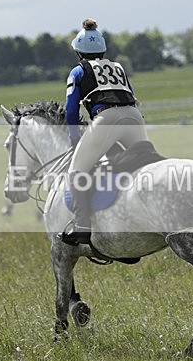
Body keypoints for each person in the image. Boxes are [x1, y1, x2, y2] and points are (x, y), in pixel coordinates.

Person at [60, 18, 148, 245]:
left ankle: (81, 227)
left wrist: (74, 138)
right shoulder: (119, 67)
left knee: (76, 172)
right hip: (134, 117)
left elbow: (71, 110)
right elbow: (133, 96)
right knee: (145, 166)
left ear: (79, 52)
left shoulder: (78, 71)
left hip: (106, 118)